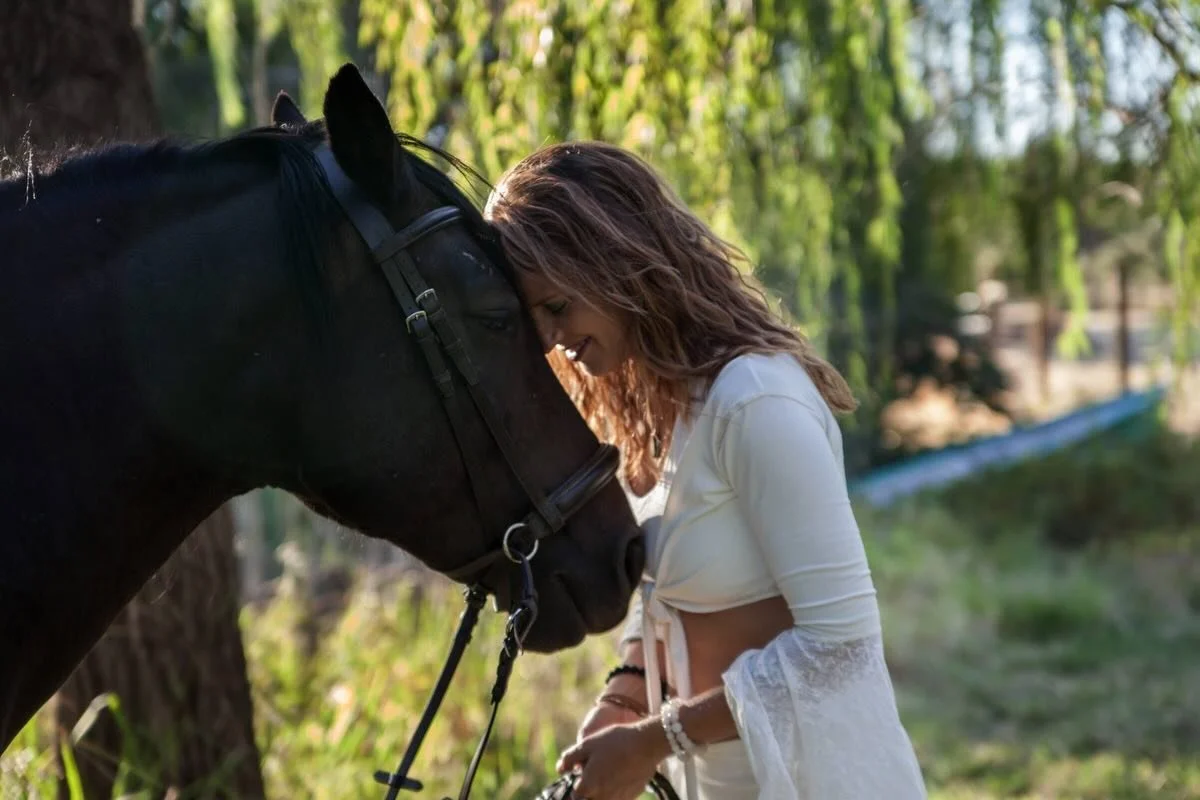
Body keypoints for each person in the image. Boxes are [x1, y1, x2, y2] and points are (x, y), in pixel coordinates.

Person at [484, 141, 926, 800]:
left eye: (556, 308)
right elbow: (672, 601)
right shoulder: (662, 415)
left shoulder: (754, 400)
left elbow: (842, 646)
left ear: (614, 262)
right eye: (535, 321)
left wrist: (655, 741)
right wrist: (627, 696)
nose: (551, 340)